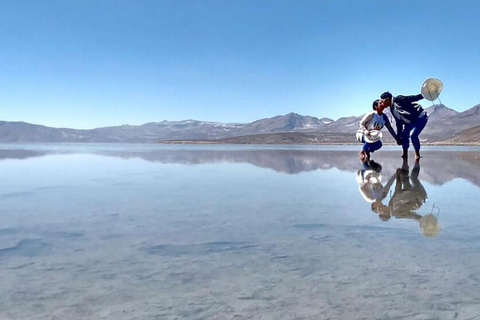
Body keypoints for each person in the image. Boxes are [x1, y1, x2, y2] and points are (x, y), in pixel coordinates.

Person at [378, 91, 428, 159]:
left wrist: (422, 95)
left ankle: (417, 154)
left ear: (387, 99)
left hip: (419, 116)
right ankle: (405, 154)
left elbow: (411, 98)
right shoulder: (392, 109)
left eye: (382, 101)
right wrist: (399, 137)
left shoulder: (398, 99)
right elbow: (398, 123)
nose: (382, 103)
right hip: (410, 121)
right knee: (404, 136)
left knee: (413, 135)